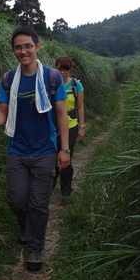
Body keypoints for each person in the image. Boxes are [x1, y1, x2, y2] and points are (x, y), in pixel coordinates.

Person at [0, 26, 70, 271]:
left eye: (28, 46)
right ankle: (24, 225)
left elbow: (61, 114)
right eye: (18, 47)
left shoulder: (51, 77)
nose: (23, 51)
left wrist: (65, 149)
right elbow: (2, 113)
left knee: (39, 204)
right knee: (17, 201)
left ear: (37, 47)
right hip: (18, 150)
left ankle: (34, 249)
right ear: (13, 50)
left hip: (45, 150)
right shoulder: (9, 79)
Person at [53, 56, 85, 202]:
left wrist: (82, 127)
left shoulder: (76, 85)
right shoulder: (51, 84)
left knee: (66, 157)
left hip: (71, 124)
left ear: (70, 70)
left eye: (65, 69)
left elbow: (80, 107)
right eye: (59, 69)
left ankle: (66, 191)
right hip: (53, 125)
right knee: (51, 157)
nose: (62, 72)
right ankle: (49, 186)